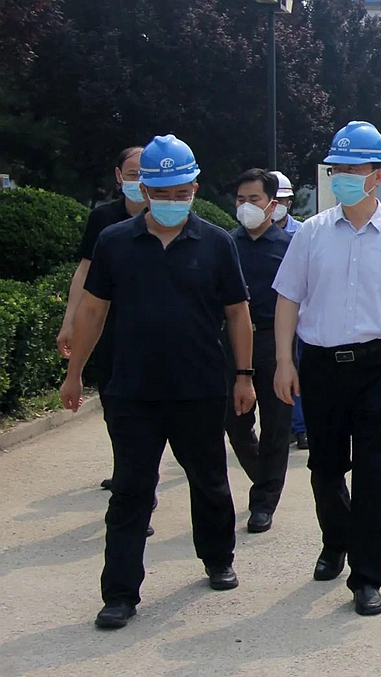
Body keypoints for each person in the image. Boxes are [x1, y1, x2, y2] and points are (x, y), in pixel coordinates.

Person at [59, 134, 256, 630]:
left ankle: (217, 558)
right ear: (143, 191)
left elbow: (238, 314)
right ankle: (120, 593)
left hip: (199, 386)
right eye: (162, 194)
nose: (171, 202)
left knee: (209, 481)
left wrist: (244, 376)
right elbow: (93, 310)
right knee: (130, 491)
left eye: (180, 193)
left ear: (194, 189)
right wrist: (74, 373)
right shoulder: (115, 242)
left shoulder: (216, 243)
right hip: (133, 389)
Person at [272, 121, 381, 616]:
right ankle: (336, 539)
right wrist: (284, 362)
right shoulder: (311, 233)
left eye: (353, 168)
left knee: (370, 470)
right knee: (324, 467)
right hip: (321, 365)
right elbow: (287, 300)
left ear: (378, 174)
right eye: (336, 168)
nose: (342, 177)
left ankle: (367, 576)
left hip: (377, 366)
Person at [56, 148, 152, 491]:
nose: (138, 181)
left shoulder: (167, 217)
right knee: (114, 404)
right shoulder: (103, 220)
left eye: (145, 173)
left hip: (152, 329)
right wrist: (70, 321)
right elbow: (85, 271)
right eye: (132, 173)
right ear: (118, 176)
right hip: (108, 326)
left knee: (150, 408)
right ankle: (128, 469)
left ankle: (140, 478)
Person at [226, 168, 293, 534]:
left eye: (254, 199)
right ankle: (264, 476)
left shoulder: (289, 247)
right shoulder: (225, 244)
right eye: (241, 199)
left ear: (271, 204)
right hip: (232, 344)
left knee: (276, 427)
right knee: (235, 424)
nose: (246, 206)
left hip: (273, 342)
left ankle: (264, 502)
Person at [271, 170, 308, 449]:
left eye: (281, 201)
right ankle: (279, 428)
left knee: (299, 372)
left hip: (300, 315)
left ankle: (301, 427)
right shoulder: (241, 238)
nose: (276, 206)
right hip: (264, 317)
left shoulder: (304, 233)